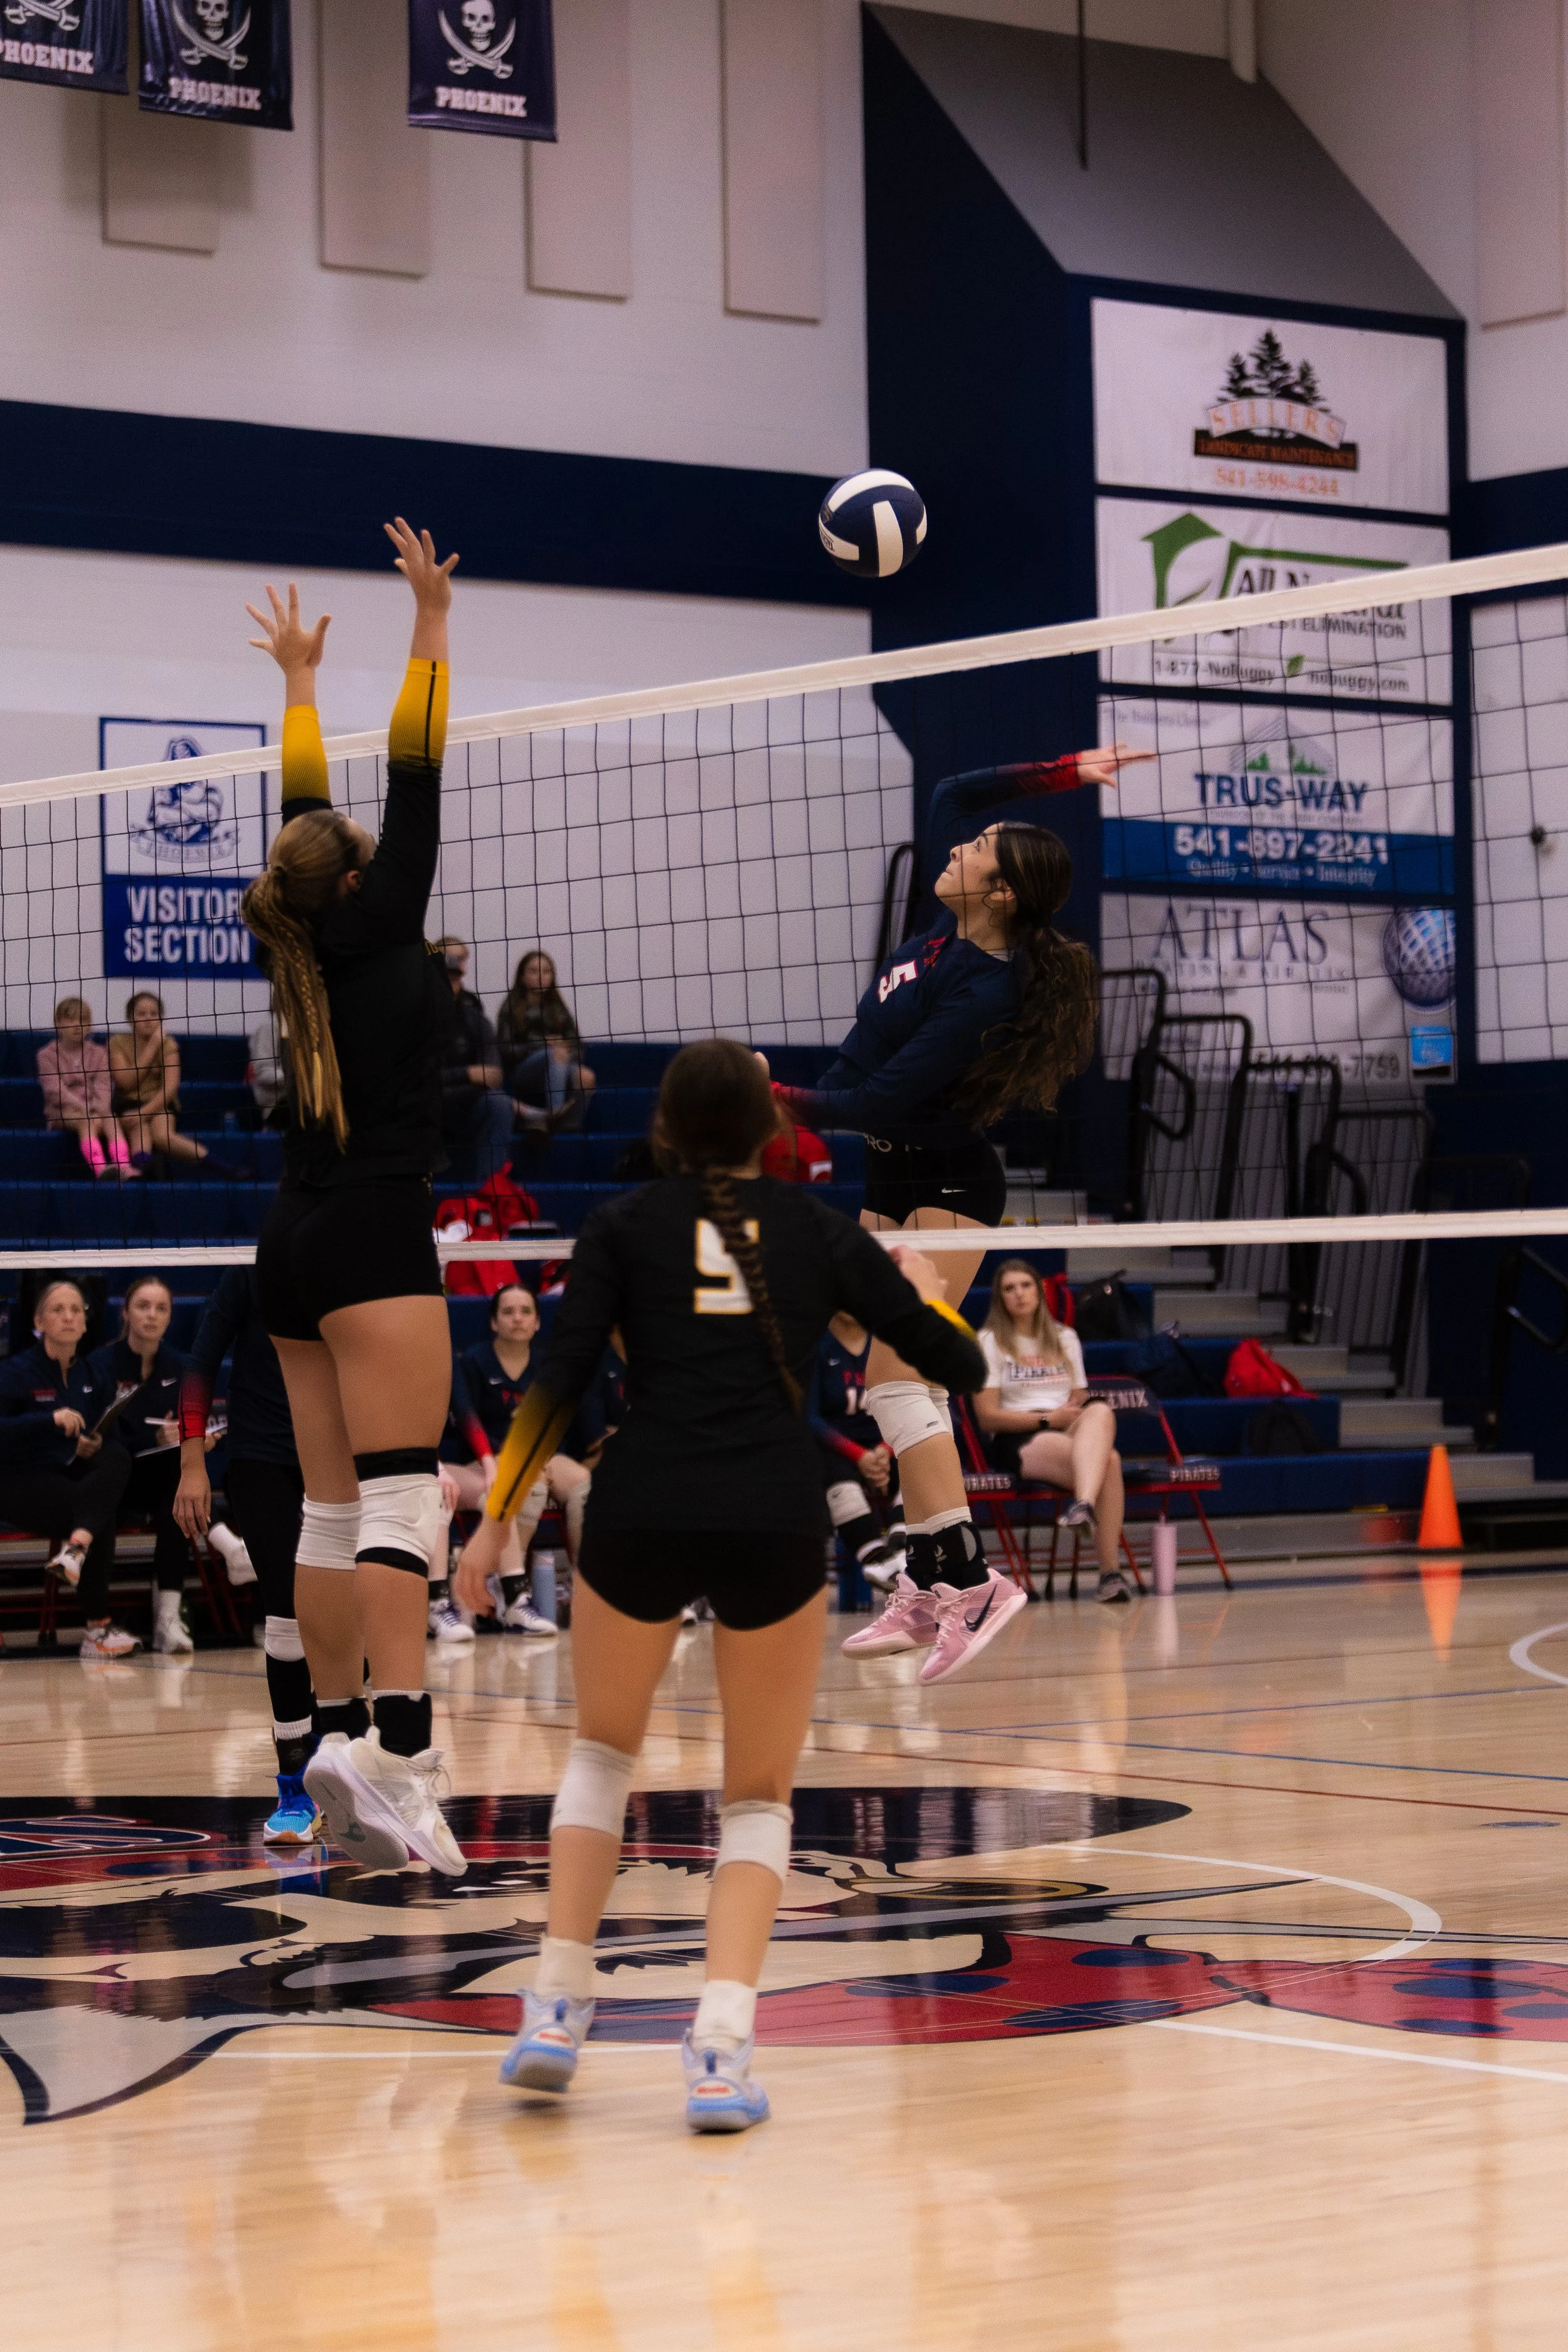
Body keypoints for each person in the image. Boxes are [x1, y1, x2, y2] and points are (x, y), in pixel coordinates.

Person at [452, 1038, 984, 2132]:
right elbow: (961, 1366)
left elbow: (554, 1389)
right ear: (771, 1135)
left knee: (602, 1755)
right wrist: (929, 1292)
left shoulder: (619, 1226)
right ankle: (720, 2048)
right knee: (756, 1796)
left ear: (664, 1134)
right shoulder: (822, 1229)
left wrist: (496, 1524)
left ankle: (555, 2004)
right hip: (772, 1512)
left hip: (643, 1500)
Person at [774, 745, 1145, 1678]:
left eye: (979, 847)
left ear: (1004, 890)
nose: (957, 844)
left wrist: (769, 1095)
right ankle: (934, 1582)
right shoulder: (942, 932)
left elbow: (883, 1098)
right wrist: (1066, 770)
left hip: (945, 1182)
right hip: (892, 1183)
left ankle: (971, 1579)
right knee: (891, 1384)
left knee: (899, 1387)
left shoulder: (988, 987)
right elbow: (954, 783)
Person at [240, 531, 465, 1878]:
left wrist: (298, 687)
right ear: (358, 873)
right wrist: (430, 620)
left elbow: (310, 818)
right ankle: (402, 1756)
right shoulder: (378, 917)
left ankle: (331, 1741)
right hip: (376, 1234)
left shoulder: (303, 933)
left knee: (332, 1513)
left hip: (290, 1241)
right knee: (398, 1509)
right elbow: (417, 769)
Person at [174, 1266, 324, 1843]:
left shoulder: (358, 1254)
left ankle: (344, 1759)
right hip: (261, 1458)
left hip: (339, 1456)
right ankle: (295, 1789)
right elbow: (198, 1367)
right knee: (286, 1615)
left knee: (348, 1620)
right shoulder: (254, 1269)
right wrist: (193, 1467)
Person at [974, 1258, 1129, 1604]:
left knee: (1100, 1409)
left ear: (1040, 1291)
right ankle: (1109, 1574)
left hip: (1068, 1426)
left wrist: (1067, 1417)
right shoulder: (989, 1341)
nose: (1019, 1295)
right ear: (999, 1298)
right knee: (1112, 1461)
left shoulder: (1065, 1337)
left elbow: (1078, 1397)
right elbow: (986, 1417)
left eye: (1026, 1286)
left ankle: (1083, 1504)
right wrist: (1047, 1420)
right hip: (1020, 1434)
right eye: (1009, 1289)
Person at [0, 1278, 135, 1656]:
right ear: (39, 1321)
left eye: (76, 1310)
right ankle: (97, 1630)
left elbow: (105, 1434)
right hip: (17, 1483)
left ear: (86, 1323)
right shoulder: (15, 1372)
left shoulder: (91, 1375)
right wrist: (49, 1422)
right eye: (58, 1310)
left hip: (67, 1479)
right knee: (99, 1513)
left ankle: (76, 1549)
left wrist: (92, 1443)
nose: (69, 1317)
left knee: (116, 1456)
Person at [443, 1281, 585, 1640]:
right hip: (488, 1459)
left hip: (546, 1454)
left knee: (585, 1487)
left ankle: (590, 1591)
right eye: (508, 1312)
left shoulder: (548, 1365)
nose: (517, 1319)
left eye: (526, 1312)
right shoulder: (474, 1361)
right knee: (524, 1486)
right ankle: (512, 1589)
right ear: (493, 1322)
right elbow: (466, 1422)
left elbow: (561, 1419)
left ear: (538, 1322)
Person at [88, 1274, 199, 1653]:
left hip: (159, 1483)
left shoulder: (183, 1366)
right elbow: (104, 1440)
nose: (152, 1315)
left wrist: (199, 1439)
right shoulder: (102, 1364)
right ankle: (228, 1545)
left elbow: (191, 1426)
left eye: (161, 1308)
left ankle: (167, 1622)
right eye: (143, 1306)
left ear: (170, 1318)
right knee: (173, 1482)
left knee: (177, 1489)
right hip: (112, 1484)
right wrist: (153, 1438)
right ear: (125, 1313)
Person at [806, 1317, 906, 1589]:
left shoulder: (888, 1341)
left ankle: (902, 1548)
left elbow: (905, 1403)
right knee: (834, 1473)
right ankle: (877, 1560)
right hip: (836, 1448)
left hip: (886, 1443)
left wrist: (885, 1450)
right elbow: (810, 1418)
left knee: (920, 1456)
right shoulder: (815, 1344)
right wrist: (860, 1456)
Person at [110, 993, 235, 1174]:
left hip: (161, 1104)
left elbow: (170, 1088)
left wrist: (143, 1113)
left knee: (162, 1136)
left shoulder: (169, 1044)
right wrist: (152, 1047)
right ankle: (144, 1170)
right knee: (140, 1129)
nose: (148, 1019)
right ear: (130, 1018)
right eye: (142, 1014)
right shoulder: (118, 1042)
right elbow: (126, 1082)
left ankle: (225, 1169)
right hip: (128, 1104)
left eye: (154, 1014)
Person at [437, 935, 515, 1181]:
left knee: (499, 1104)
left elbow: (493, 1075)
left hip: (463, 1104)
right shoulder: (410, 1012)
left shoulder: (473, 1016)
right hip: (424, 1104)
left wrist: (453, 1081)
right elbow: (412, 1078)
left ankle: (490, 1196)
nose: (452, 981)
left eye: (456, 974)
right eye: (445, 969)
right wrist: (468, 1074)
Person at [497, 950, 596, 1137]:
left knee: (587, 1076)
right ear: (522, 976)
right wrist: (544, 1046)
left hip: (559, 1065)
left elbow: (579, 1049)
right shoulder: (510, 1007)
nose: (541, 977)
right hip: (523, 1072)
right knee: (555, 1054)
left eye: (547, 971)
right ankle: (555, 1114)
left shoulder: (558, 1007)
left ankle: (569, 1127)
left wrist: (566, 1051)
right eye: (534, 971)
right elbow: (506, 1050)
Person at [37, 997, 134, 1179]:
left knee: (111, 1119)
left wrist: (100, 1108)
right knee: (86, 1121)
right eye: (71, 1019)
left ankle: (124, 1166)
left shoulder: (99, 1053)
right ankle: (101, 1169)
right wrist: (85, 1109)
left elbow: (104, 1084)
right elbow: (55, 1090)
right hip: (63, 1111)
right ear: (58, 1023)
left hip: (97, 1110)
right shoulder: (46, 1055)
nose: (77, 1025)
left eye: (83, 1020)